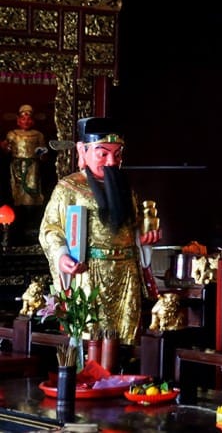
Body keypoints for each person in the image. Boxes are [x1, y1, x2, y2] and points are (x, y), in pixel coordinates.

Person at [39, 117, 162, 345]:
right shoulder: (69, 188)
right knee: (91, 337)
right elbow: (50, 229)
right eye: (102, 153)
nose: (111, 161)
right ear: (82, 151)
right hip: (89, 273)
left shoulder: (126, 189)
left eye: (117, 154)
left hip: (126, 273)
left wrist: (144, 239)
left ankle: (125, 378)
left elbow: (133, 228)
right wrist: (61, 255)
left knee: (125, 338)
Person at [3, 104, 47, 206]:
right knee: (17, 188)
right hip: (16, 165)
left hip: (32, 165)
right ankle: (17, 207)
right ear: (18, 120)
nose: (26, 122)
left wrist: (42, 154)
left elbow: (43, 151)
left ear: (32, 121)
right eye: (23, 119)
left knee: (32, 186)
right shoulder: (12, 134)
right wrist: (5, 147)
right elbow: (7, 150)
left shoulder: (38, 134)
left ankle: (31, 208)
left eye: (28, 119)